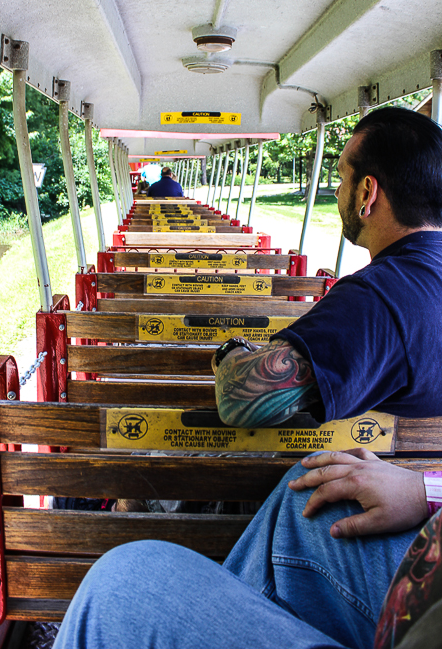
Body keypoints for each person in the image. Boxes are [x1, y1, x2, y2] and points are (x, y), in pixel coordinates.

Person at [52, 107, 442, 649]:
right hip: (414, 530)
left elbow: (244, 399)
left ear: (367, 193)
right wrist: (428, 488)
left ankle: (119, 521)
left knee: (267, 474)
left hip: (406, 572)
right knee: (296, 478)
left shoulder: (381, 297)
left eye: (342, 176)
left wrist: (233, 351)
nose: (336, 189)